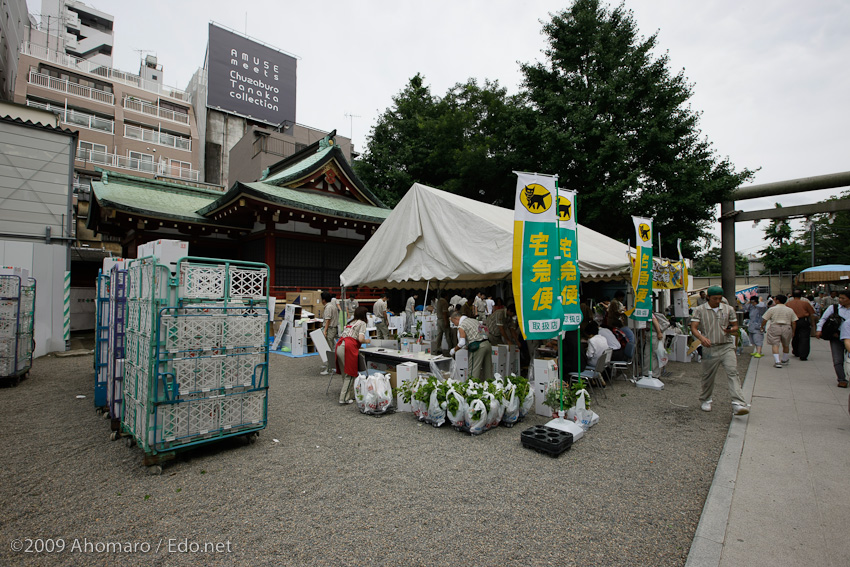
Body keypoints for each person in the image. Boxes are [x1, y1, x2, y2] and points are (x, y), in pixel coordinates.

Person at [690, 285, 750, 416]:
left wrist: (731, 329)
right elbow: (693, 327)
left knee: (732, 372)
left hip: (726, 345)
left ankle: (737, 403)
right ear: (708, 298)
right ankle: (706, 399)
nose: (718, 301)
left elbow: (735, 325)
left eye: (720, 298)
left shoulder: (728, 309)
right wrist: (701, 338)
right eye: (715, 298)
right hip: (710, 347)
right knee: (708, 376)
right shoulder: (699, 310)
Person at [816, 289, 850, 388]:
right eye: (840, 298)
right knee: (837, 359)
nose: (840, 300)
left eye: (843, 298)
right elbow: (823, 319)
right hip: (836, 336)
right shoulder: (834, 308)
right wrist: (819, 329)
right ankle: (841, 379)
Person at [335, 306, 369, 404]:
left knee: (344, 372)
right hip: (349, 347)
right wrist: (368, 341)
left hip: (340, 345)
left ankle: (350, 394)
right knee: (350, 374)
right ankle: (344, 398)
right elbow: (360, 339)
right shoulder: (362, 323)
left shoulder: (350, 322)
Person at [450, 309, 493, 382]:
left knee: (473, 371)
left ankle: (472, 389)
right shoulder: (474, 320)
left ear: (456, 318)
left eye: (454, 322)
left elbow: (461, 342)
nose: (455, 325)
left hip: (478, 347)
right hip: (487, 344)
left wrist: (453, 350)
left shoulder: (462, 325)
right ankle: (491, 387)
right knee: (488, 371)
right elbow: (484, 332)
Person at [760, 294, 798, 368]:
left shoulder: (772, 309)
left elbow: (765, 319)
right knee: (786, 344)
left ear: (777, 300)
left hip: (775, 326)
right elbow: (794, 321)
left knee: (775, 344)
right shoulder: (789, 310)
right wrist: (793, 331)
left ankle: (777, 361)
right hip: (787, 327)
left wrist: (762, 326)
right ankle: (784, 359)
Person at [786, 289, 815, 360]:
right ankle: (803, 355)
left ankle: (796, 351)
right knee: (804, 338)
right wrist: (813, 323)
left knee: (794, 336)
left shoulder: (789, 303)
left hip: (792, 321)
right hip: (803, 320)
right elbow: (811, 314)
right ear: (801, 295)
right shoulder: (805, 303)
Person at [320, 292, 339, 375]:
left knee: (329, 348)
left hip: (330, 329)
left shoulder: (328, 307)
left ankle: (329, 368)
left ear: (323, 300)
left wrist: (325, 331)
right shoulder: (332, 306)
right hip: (333, 328)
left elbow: (328, 320)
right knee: (331, 348)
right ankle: (330, 366)